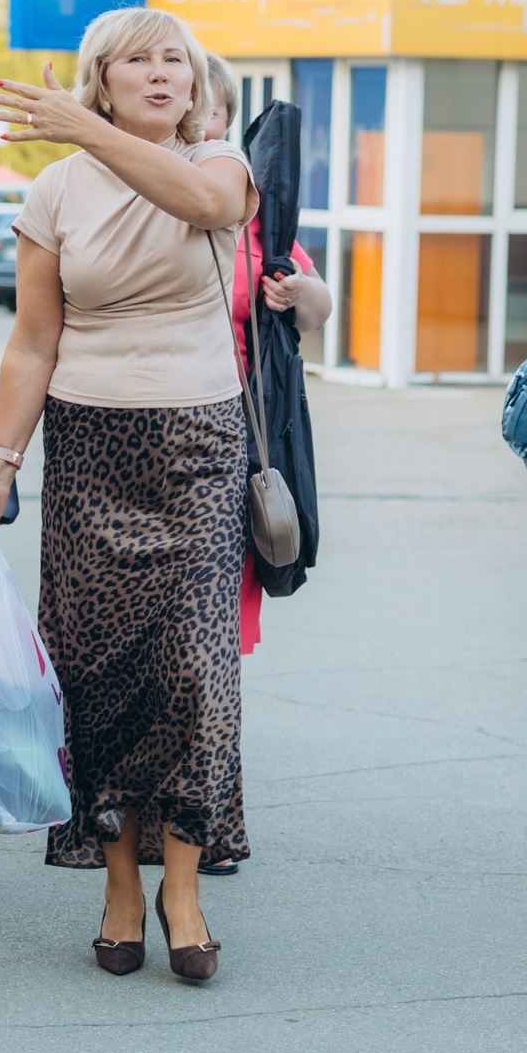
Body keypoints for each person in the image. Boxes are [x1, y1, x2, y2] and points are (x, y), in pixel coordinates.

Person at [0, 8, 254, 982]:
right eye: (139, 59)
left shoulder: (220, 166)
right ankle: (120, 883)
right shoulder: (54, 191)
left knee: (195, 677)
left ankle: (183, 885)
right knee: (96, 673)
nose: (162, 72)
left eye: (176, 59)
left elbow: (207, 212)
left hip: (197, 442)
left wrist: (88, 130)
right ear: (103, 78)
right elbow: (32, 342)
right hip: (89, 445)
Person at [199, 55, 330, 877]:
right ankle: (138, 806)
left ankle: (211, 813)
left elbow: (318, 306)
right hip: (146, 439)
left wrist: (294, 297)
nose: (200, 128)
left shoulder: (258, 219)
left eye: (212, 112)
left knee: (212, 642)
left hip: (237, 452)